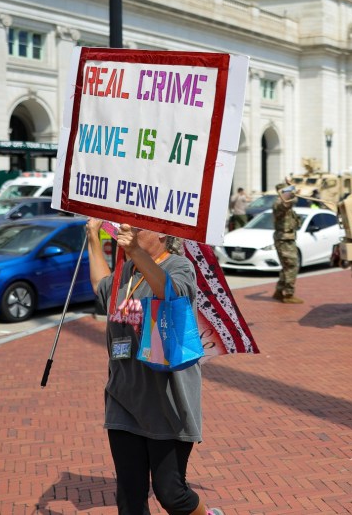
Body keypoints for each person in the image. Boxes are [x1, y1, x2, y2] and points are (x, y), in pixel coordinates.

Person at [86, 218, 224, 515]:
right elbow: (101, 287)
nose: (127, 231)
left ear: (162, 233)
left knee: (172, 494)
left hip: (168, 404)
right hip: (123, 400)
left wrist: (135, 251)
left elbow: (170, 293)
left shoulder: (178, 266)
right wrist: (92, 238)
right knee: (130, 499)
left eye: (137, 228)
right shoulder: (127, 272)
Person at [272, 181, 303, 304]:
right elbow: (289, 202)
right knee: (292, 266)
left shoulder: (283, 202)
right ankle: (288, 295)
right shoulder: (279, 203)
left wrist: (292, 188)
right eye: (288, 190)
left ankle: (279, 291)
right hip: (284, 239)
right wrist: (293, 190)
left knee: (287, 266)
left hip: (287, 238)